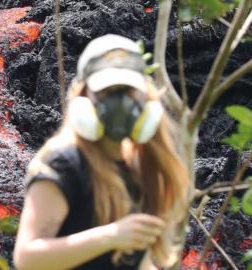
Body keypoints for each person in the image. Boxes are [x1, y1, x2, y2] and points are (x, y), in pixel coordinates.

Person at [13, 34, 189, 270]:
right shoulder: (62, 165)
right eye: (107, 92)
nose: (120, 104)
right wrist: (112, 236)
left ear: (145, 96)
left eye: (128, 91)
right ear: (84, 97)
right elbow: (28, 258)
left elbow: (137, 261)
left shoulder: (137, 166)